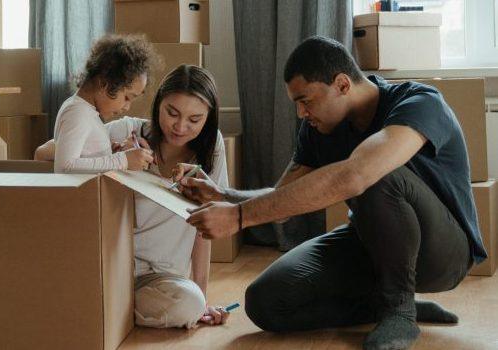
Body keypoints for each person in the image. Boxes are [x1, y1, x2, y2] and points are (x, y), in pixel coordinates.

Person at [178, 36, 486, 350]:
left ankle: (399, 310)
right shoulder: (317, 129)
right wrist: (224, 197)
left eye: (306, 100)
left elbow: (358, 174)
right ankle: (381, 305)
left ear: (341, 84)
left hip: (444, 254)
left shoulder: (420, 102)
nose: (300, 113)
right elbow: (282, 200)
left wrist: (239, 217)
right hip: (371, 244)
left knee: (375, 173)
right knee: (266, 302)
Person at [35, 65, 231, 328]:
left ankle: (104, 309)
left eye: (194, 120)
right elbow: (43, 153)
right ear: (158, 103)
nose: (180, 127)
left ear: (208, 118)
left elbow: (204, 229)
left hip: (161, 279)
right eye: (171, 113)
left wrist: (203, 301)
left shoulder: (212, 149)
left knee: (190, 305)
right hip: (111, 267)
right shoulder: (127, 131)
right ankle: (106, 306)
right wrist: (114, 156)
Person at [52, 33, 157, 174]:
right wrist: (122, 160)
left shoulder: (87, 112)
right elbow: (64, 167)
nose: (127, 107)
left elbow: (85, 159)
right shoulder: (77, 112)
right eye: (127, 97)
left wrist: (109, 155)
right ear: (105, 82)